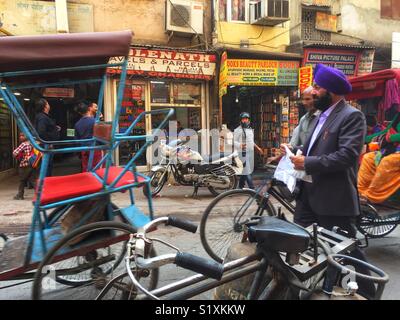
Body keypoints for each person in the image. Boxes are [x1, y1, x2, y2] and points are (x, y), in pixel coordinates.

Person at [281, 63, 375, 298]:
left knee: (344, 252)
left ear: (330, 92)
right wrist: (295, 151)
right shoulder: (319, 116)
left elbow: (346, 156)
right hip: (308, 196)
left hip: (333, 199)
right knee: (300, 243)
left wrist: (309, 163)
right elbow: (314, 147)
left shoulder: (352, 116)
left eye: (317, 87)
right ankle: (303, 288)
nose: (312, 92)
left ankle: (367, 293)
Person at [358, 112, 400, 204]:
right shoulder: (398, 116)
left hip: (395, 151)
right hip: (393, 149)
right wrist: (364, 139)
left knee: (388, 161)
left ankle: (372, 196)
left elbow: (389, 136)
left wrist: (391, 138)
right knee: (368, 158)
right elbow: (386, 131)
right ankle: (360, 192)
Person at [234, 112, 263, 189]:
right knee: (247, 170)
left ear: (249, 120)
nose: (245, 120)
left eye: (246, 119)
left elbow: (251, 142)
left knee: (245, 170)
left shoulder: (250, 130)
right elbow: (233, 141)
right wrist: (240, 145)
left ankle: (240, 186)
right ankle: (252, 188)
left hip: (250, 152)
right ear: (240, 120)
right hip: (242, 153)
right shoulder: (237, 130)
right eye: (243, 119)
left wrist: (258, 148)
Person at [34, 98, 60, 177]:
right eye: (47, 103)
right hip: (46, 146)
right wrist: (48, 143)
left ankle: (46, 183)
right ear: (45, 106)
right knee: (46, 166)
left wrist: (55, 128)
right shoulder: (42, 117)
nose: (49, 105)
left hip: (47, 145)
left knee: (48, 166)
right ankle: (45, 185)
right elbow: (41, 132)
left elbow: (46, 129)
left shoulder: (44, 117)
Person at [74, 102, 103, 172]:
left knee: (85, 169)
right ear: (88, 109)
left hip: (83, 149)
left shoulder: (77, 124)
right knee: (97, 170)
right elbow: (101, 136)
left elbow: (76, 140)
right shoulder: (94, 121)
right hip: (95, 148)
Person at [12, 133, 35, 200]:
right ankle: (40, 194)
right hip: (32, 163)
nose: (21, 137)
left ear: (27, 136)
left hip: (24, 164)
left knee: (22, 180)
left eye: (23, 136)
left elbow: (15, 152)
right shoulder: (32, 143)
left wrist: (20, 156)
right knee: (32, 180)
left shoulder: (24, 144)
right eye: (20, 136)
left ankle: (20, 195)